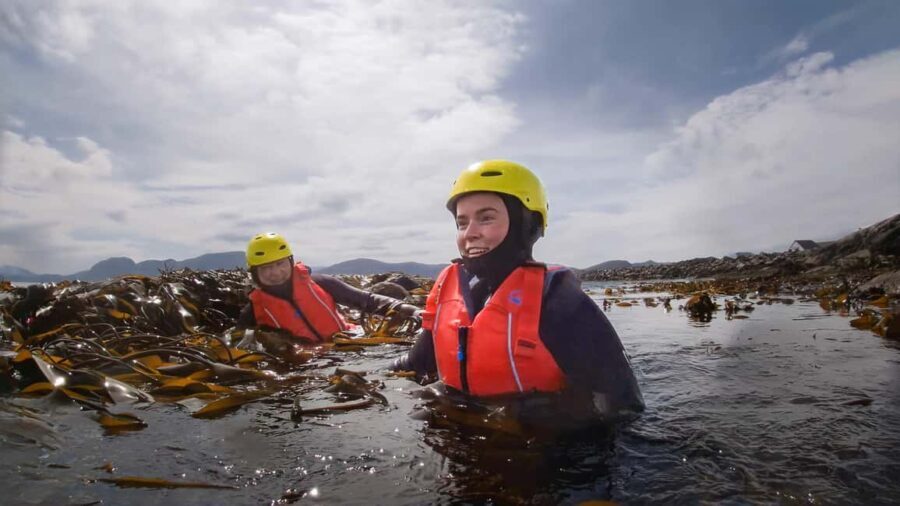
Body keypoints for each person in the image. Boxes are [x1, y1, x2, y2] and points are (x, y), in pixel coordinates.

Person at [392, 160, 644, 422]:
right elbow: (417, 363)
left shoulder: (559, 300)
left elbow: (626, 407)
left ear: (528, 224)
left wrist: (543, 415)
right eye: (461, 223)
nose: (470, 234)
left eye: (486, 218)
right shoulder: (447, 287)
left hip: (544, 455)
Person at [237, 232, 420, 343]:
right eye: (266, 268)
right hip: (306, 366)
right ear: (254, 273)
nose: (275, 272)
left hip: (349, 344)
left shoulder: (320, 282)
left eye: (280, 264)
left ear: (290, 262)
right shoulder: (252, 312)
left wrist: (412, 311)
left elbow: (368, 300)